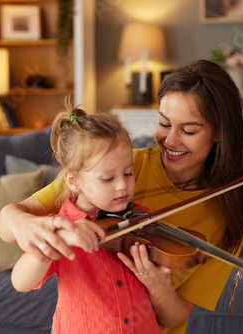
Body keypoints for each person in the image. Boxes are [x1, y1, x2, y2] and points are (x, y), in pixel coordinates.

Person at [0, 59, 243, 334]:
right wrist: (31, 227)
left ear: (220, 133)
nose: (170, 140)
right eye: (164, 123)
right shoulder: (117, 164)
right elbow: (8, 223)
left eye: (188, 130)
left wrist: (158, 285)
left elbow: (174, 318)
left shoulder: (226, 216)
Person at [9, 103, 164, 333]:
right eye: (108, 178)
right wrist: (58, 239)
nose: (123, 185)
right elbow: (20, 282)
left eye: (128, 173)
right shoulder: (62, 226)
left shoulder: (139, 218)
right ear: (74, 181)